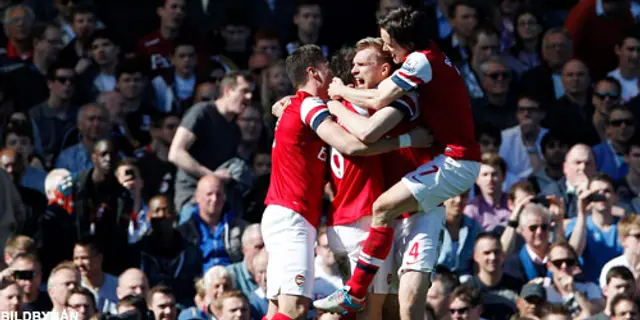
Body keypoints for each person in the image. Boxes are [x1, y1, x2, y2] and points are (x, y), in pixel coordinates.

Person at [315, 6, 481, 316]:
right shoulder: (422, 65)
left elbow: (368, 127)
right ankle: (355, 292)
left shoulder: (413, 78)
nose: (389, 49)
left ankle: (354, 291)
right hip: (404, 202)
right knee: (399, 307)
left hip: (441, 178)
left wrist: (335, 98)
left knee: (407, 299)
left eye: (388, 43)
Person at [262, 44, 429, 320]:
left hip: (317, 219)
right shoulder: (316, 105)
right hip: (344, 219)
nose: (337, 76)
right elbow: (354, 144)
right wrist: (410, 139)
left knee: (281, 310)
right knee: (302, 310)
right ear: (314, 73)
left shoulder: (317, 107)